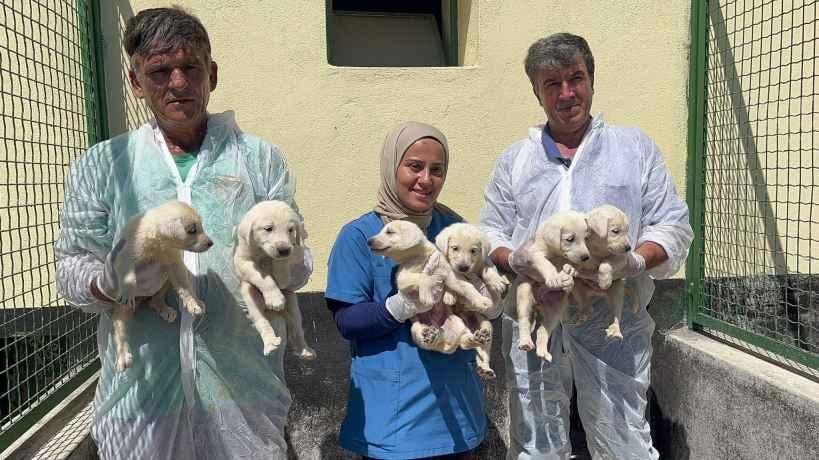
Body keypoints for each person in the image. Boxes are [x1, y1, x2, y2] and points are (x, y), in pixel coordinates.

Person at [54, 7, 310, 459]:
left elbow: (300, 255)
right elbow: (72, 265)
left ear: (211, 74)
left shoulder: (258, 160)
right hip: (140, 399)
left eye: (190, 67)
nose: (177, 82)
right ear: (136, 83)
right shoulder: (104, 166)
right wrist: (106, 282)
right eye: (159, 71)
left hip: (243, 392)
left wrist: (284, 267)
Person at [479, 33, 693, 459]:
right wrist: (516, 260)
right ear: (537, 93)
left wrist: (633, 261)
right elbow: (492, 234)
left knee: (624, 440)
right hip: (537, 317)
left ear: (592, 80)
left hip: (614, 323)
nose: (566, 93)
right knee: (536, 441)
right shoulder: (515, 161)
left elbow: (672, 225)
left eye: (575, 78)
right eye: (551, 83)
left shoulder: (633, 150)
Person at [325, 122, 499, 459]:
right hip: (395, 423)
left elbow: (483, 299)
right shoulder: (362, 236)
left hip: (458, 419)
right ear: (392, 167)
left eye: (437, 170)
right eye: (414, 166)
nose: (426, 179)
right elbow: (348, 322)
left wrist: (489, 301)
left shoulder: (453, 230)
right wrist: (405, 303)